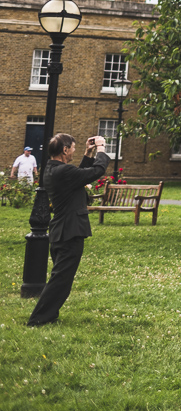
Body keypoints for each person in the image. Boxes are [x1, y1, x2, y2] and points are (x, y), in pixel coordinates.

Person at [28, 133, 110, 327]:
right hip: (69, 231)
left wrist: (87, 154)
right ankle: (38, 319)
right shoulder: (62, 172)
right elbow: (96, 171)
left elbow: (77, 178)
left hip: (62, 230)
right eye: (72, 148)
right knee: (61, 279)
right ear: (65, 150)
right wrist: (101, 149)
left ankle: (48, 314)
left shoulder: (53, 169)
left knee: (61, 278)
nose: (73, 151)